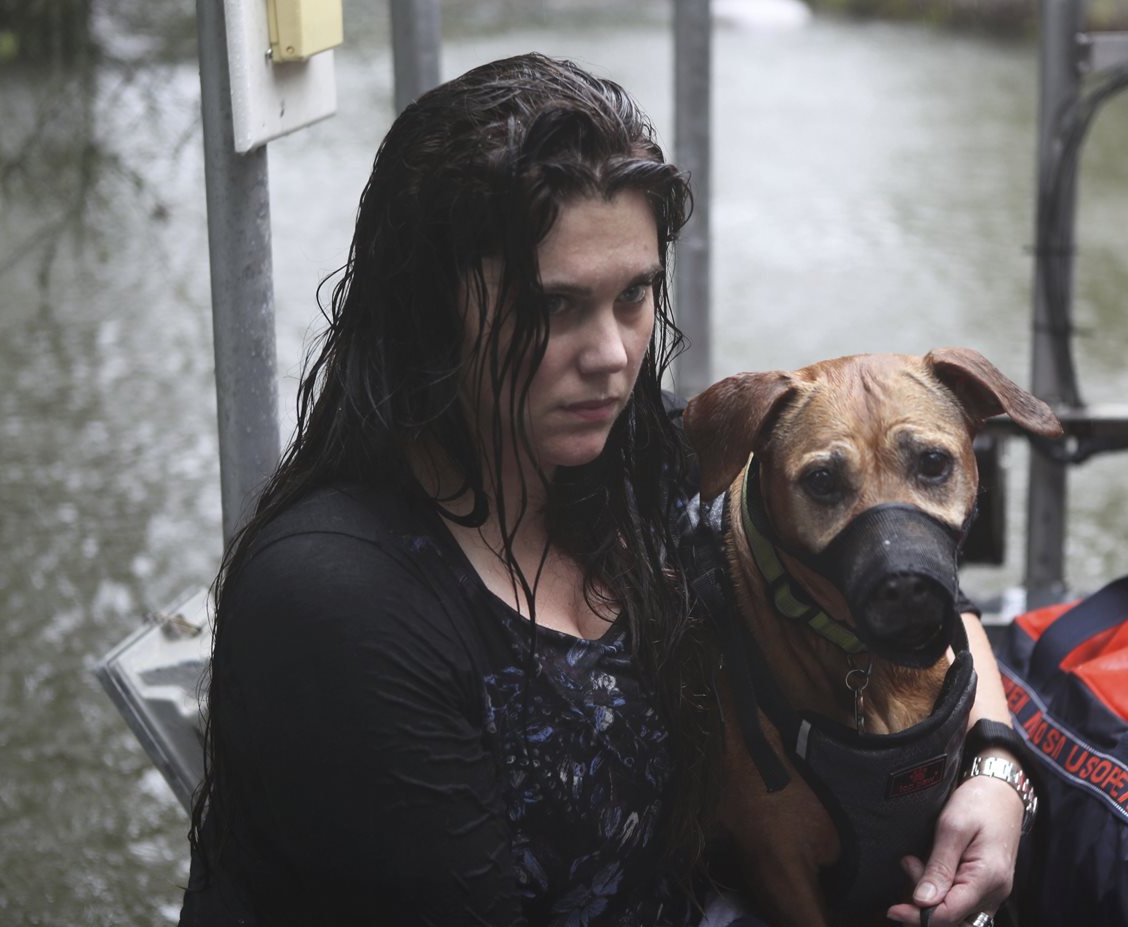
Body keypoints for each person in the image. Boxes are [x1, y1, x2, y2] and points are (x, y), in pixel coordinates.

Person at [178, 52, 1027, 927]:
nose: (613, 355)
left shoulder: (646, 461)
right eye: (553, 307)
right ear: (428, 308)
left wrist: (998, 770)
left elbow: (916, 589)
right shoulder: (340, 602)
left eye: (633, 296)